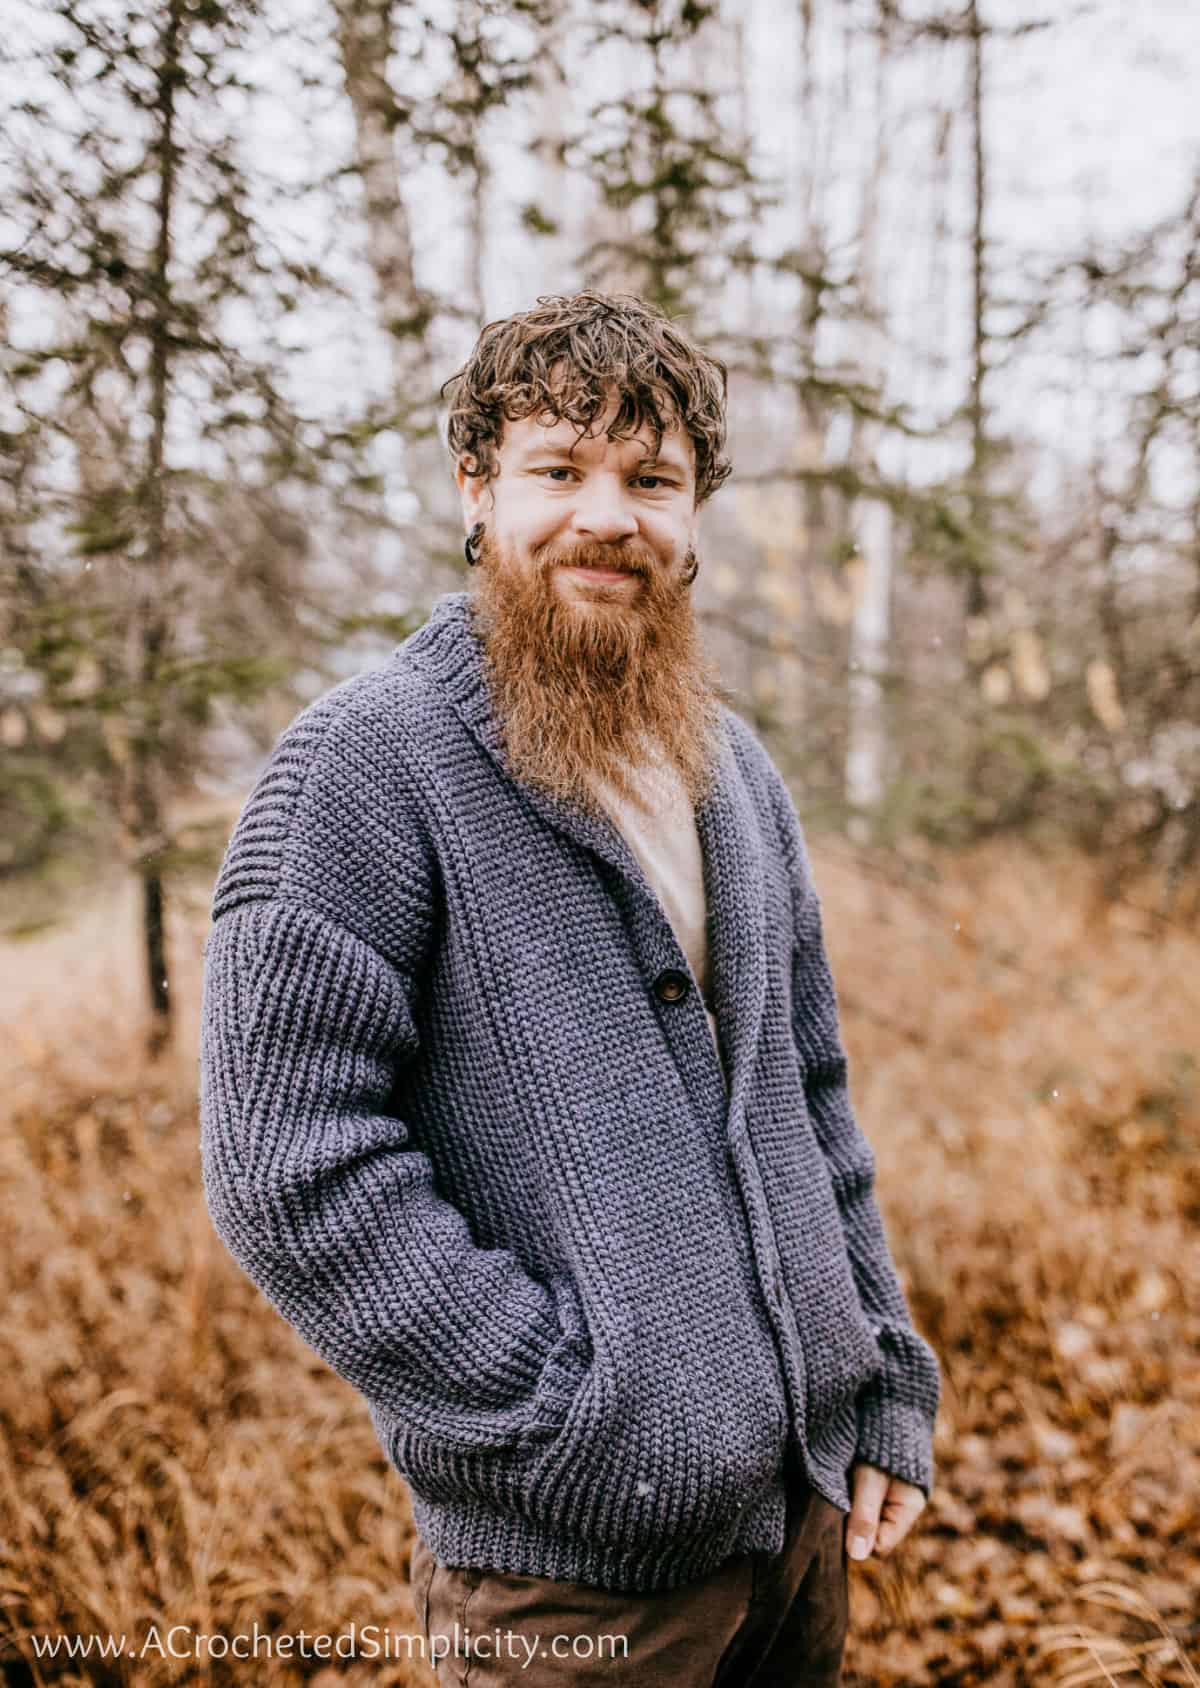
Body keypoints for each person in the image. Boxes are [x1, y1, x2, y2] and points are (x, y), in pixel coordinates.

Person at [198, 290, 941, 1685]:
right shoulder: (362, 769)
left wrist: (883, 1377)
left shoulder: (735, 773)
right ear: (478, 489)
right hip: (565, 1585)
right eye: (559, 469)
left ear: (696, 516)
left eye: (650, 479)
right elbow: (285, 1168)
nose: (610, 515)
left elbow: (808, 1098)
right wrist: (582, 1412)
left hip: (797, 1532)